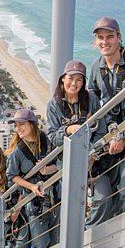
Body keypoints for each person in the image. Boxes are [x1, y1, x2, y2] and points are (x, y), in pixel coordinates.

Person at [86, 18, 125, 223]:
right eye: (100, 38)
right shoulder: (96, 67)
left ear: (119, 38)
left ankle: (124, 232)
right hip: (107, 137)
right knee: (102, 193)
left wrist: (122, 134)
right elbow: (92, 105)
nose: (105, 42)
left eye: (110, 37)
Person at [44, 60, 108, 228]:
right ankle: (73, 232)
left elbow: (101, 129)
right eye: (71, 78)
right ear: (62, 79)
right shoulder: (54, 105)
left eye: (79, 79)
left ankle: (90, 230)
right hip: (67, 161)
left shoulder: (91, 99)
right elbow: (52, 137)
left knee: (102, 197)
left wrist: (93, 151)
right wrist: (68, 130)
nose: (74, 83)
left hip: (92, 159)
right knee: (72, 203)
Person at [5, 109, 57, 248]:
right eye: (16, 125)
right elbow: (12, 176)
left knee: (55, 238)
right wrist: (31, 187)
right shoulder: (18, 152)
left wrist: (47, 170)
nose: (18, 128)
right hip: (33, 201)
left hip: (53, 195)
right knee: (40, 243)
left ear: (32, 124)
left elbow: (60, 163)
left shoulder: (47, 140)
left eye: (21, 124)